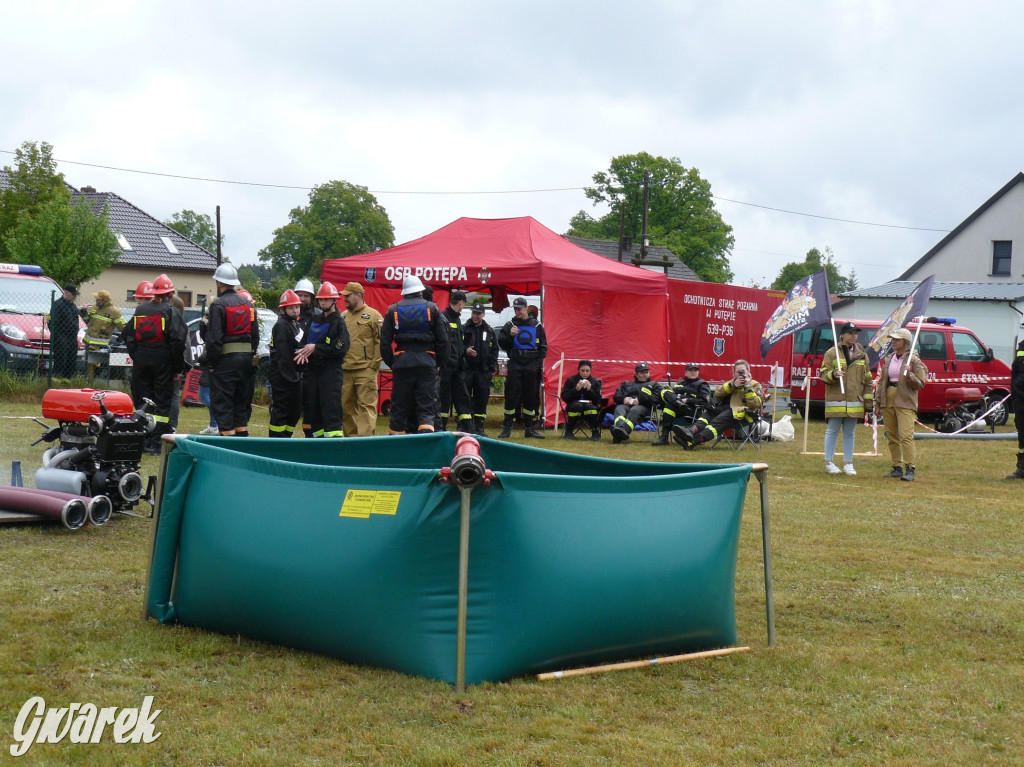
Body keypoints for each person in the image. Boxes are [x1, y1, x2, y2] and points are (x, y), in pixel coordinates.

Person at [121, 276, 186, 453]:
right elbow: (178, 342)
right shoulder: (171, 311)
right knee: (162, 402)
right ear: (170, 293)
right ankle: (156, 443)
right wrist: (177, 368)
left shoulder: (141, 310)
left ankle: (143, 438)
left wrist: (137, 357)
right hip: (163, 362)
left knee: (143, 399)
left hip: (142, 360)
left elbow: (128, 336)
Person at [380, 275, 448, 435]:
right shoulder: (432, 309)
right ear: (420, 291)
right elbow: (443, 341)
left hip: (402, 364)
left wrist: (393, 363)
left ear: (404, 292)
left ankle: (396, 448)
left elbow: (384, 343)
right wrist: (438, 363)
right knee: (426, 409)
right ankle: (426, 447)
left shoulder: (392, 310)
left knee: (399, 409)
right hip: (427, 364)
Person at [204, 265, 260, 437]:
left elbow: (214, 338)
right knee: (241, 403)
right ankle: (242, 440)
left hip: (225, 362)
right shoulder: (248, 305)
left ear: (220, 282)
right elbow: (255, 334)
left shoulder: (218, 305)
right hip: (246, 361)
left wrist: (211, 363)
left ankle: (228, 444)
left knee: (223, 403)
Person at [295, 282, 350, 437]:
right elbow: (303, 342)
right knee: (314, 409)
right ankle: (318, 441)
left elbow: (340, 349)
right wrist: (301, 352)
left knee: (331, 408)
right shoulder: (315, 320)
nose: (323, 302)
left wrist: (316, 348)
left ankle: (334, 444)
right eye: (321, 299)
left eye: (326, 299)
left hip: (330, 373)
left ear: (334, 301)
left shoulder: (339, 322)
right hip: (312, 372)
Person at [820, 322, 874, 475]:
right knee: (832, 430)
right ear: (842, 335)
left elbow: (868, 379)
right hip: (836, 399)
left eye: (856, 333)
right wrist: (833, 375)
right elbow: (823, 373)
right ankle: (829, 462)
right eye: (850, 333)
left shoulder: (862, 354)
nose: (854, 336)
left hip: (854, 400)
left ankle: (848, 463)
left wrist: (868, 401)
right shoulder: (831, 353)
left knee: (850, 432)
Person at [874, 327, 927, 482]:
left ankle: (910, 468)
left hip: (905, 400)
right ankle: (896, 466)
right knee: (892, 435)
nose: (893, 342)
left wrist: (910, 373)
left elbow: (921, 383)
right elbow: (883, 381)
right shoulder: (889, 359)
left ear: (905, 342)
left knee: (905, 435)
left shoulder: (915, 360)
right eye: (893, 339)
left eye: (897, 339)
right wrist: (878, 403)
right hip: (889, 398)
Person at [676, 359, 763, 448]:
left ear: (748, 372)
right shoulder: (731, 382)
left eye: (743, 372)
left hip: (741, 413)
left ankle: (693, 441)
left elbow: (755, 404)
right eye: (738, 372)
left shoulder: (755, 385)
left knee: (716, 422)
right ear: (734, 374)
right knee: (709, 412)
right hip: (725, 409)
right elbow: (718, 393)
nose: (741, 374)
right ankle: (691, 431)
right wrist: (733, 385)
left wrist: (747, 387)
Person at [498, 297, 547, 438]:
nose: (517, 311)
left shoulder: (536, 326)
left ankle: (529, 428)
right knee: (512, 395)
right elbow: (502, 343)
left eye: (519, 309)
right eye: (515, 309)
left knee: (530, 397)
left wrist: (536, 365)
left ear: (526, 308)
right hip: (515, 365)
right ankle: (507, 426)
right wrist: (510, 336)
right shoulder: (510, 324)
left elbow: (543, 348)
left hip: (531, 366)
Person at [340, 282, 383, 437]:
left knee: (366, 407)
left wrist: (374, 365)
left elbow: (380, 341)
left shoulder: (374, 315)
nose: (345, 298)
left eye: (348, 295)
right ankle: (350, 440)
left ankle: (364, 441)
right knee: (346, 407)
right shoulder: (343, 316)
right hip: (345, 370)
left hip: (366, 369)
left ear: (358, 295)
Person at [268, 290, 305, 438]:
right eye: (291, 307)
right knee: (282, 410)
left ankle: (286, 438)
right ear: (283, 309)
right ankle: (277, 441)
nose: (295, 309)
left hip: (292, 375)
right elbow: (283, 355)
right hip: (283, 376)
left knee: (294, 411)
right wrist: (293, 377)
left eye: (297, 307)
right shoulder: (282, 325)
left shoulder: (293, 323)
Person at [653, 362, 712, 446]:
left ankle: (665, 436)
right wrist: (678, 400)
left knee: (670, 404)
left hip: (693, 410)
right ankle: (664, 437)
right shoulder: (679, 385)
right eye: (690, 370)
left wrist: (688, 400)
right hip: (677, 410)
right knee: (667, 398)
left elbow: (705, 401)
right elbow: (671, 395)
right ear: (685, 372)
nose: (693, 372)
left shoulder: (702, 384)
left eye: (695, 370)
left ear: (698, 372)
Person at [461, 304, 499, 435]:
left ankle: (479, 426)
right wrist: (466, 351)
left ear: (483, 314)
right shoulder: (464, 328)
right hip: (467, 369)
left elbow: (494, 350)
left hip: (483, 371)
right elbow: (457, 346)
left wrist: (491, 368)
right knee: (464, 397)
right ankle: (464, 425)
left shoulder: (489, 330)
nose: (475, 316)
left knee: (481, 398)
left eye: (478, 313)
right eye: (473, 313)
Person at [439, 290, 472, 432]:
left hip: (458, 366)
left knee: (462, 396)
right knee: (443, 397)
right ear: (460, 302)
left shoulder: (457, 319)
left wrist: (464, 351)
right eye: (463, 303)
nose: (463, 306)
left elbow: (457, 343)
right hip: (447, 367)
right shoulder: (443, 318)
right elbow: (443, 343)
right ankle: (441, 426)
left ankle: (468, 428)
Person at [80, 289, 125, 383]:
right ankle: (89, 383)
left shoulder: (114, 311)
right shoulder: (94, 307)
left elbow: (122, 326)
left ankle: (92, 383)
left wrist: (128, 335)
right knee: (89, 364)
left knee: (94, 364)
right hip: (89, 342)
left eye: (98, 299)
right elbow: (87, 320)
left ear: (105, 301)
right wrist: (83, 312)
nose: (96, 301)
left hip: (101, 344)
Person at [294, 277, 320, 438]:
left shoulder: (318, 315)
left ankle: (309, 435)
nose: (302, 299)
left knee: (311, 406)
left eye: (306, 296)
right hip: (293, 367)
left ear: (312, 297)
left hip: (313, 367)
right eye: (300, 295)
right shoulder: (289, 313)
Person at [610, 362, 657, 443]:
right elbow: (616, 396)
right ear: (635, 374)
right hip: (626, 405)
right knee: (619, 408)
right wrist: (624, 399)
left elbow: (656, 398)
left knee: (635, 410)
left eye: (647, 372)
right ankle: (620, 430)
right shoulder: (626, 384)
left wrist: (640, 400)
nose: (645, 375)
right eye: (642, 373)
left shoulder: (654, 385)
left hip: (643, 407)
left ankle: (621, 433)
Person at [560, 360, 603, 440]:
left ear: (591, 371)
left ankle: (595, 432)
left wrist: (590, 390)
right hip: (574, 406)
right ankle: (569, 431)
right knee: (577, 406)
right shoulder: (571, 380)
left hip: (590, 406)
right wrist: (576, 389)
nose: (585, 373)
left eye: (587, 371)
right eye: (583, 371)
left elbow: (598, 399)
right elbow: (564, 397)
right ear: (578, 370)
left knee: (590, 408)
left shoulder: (595, 382)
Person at [48, 283, 80, 379]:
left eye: (75, 295)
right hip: (61, 338)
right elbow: (53, 323)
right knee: (61, 360)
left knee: (71, 361)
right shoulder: (58, 305)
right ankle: (56, 380)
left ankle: (67, 381)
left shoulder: (73, 306)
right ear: (66, 293)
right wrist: (58, 337)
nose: (75, 297)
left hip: (72, 338)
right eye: (73, 294)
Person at [1007, 337, 1024, 479]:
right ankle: (1022, 469)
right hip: (1021, 400)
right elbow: (1015, 371)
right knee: (1022, 436)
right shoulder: (1022, 347)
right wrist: (1015, 392)